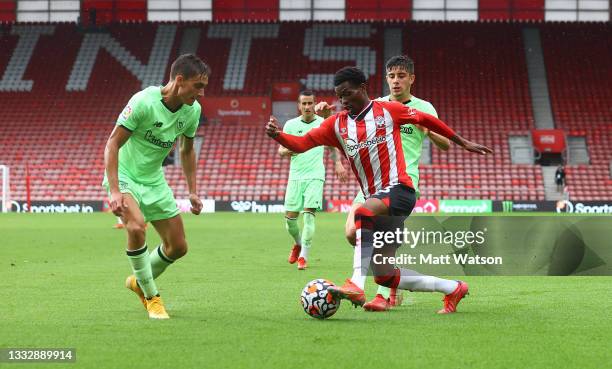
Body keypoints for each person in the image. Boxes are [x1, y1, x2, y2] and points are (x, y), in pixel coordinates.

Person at [266, 66, 492, 314]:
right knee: (385, 276)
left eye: (348, 94)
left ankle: (355, 283)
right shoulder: (336, 125)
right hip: (377, 199)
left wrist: (463, 142)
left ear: (362, 88)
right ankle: (453, 288)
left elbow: (426, 119)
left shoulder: (387, 110)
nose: (343, 101)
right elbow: (300, 143)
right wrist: (278, 136)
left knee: (363, 213)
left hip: (400, 190)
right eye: (339, 96)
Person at [316, 55, 450, 311]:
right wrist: (326, 121)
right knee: (352, 232)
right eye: (391, 76)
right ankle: (388, 283)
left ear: (411, 78)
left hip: (399, 182)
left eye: (401, 76)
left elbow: (445, 144)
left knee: (378, 232)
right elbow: (344, 128)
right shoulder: (375, 105)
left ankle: (381, 292)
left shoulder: (424, 107)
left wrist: (427, 128)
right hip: (370, 182)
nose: (396, 81)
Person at [103, 54, 210, 319]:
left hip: (154, 180)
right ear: (179, 80)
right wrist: (115, 190)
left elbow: (186, 150)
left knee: (178, 246)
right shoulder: (143, 102)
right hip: (127, 177)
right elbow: (112, 143)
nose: (202, 93)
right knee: (136, 226)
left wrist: (193, 190)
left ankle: (138, 281)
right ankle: (152, 297)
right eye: (198, 86)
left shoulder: (192, 110)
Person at [280, 91, 348, 270]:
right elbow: (281, 151)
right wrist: (294, 148)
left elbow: (333, 145)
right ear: (299, 105)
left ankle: (304, 256)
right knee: (290, 221)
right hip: (295, 176)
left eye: (310, 103)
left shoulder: (322, 123)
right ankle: (298, 243)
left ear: (314, 104)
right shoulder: (290, 125)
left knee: (309, 215)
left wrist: (338, 163)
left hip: (315, 175)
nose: (307, 107)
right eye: (304, 103)